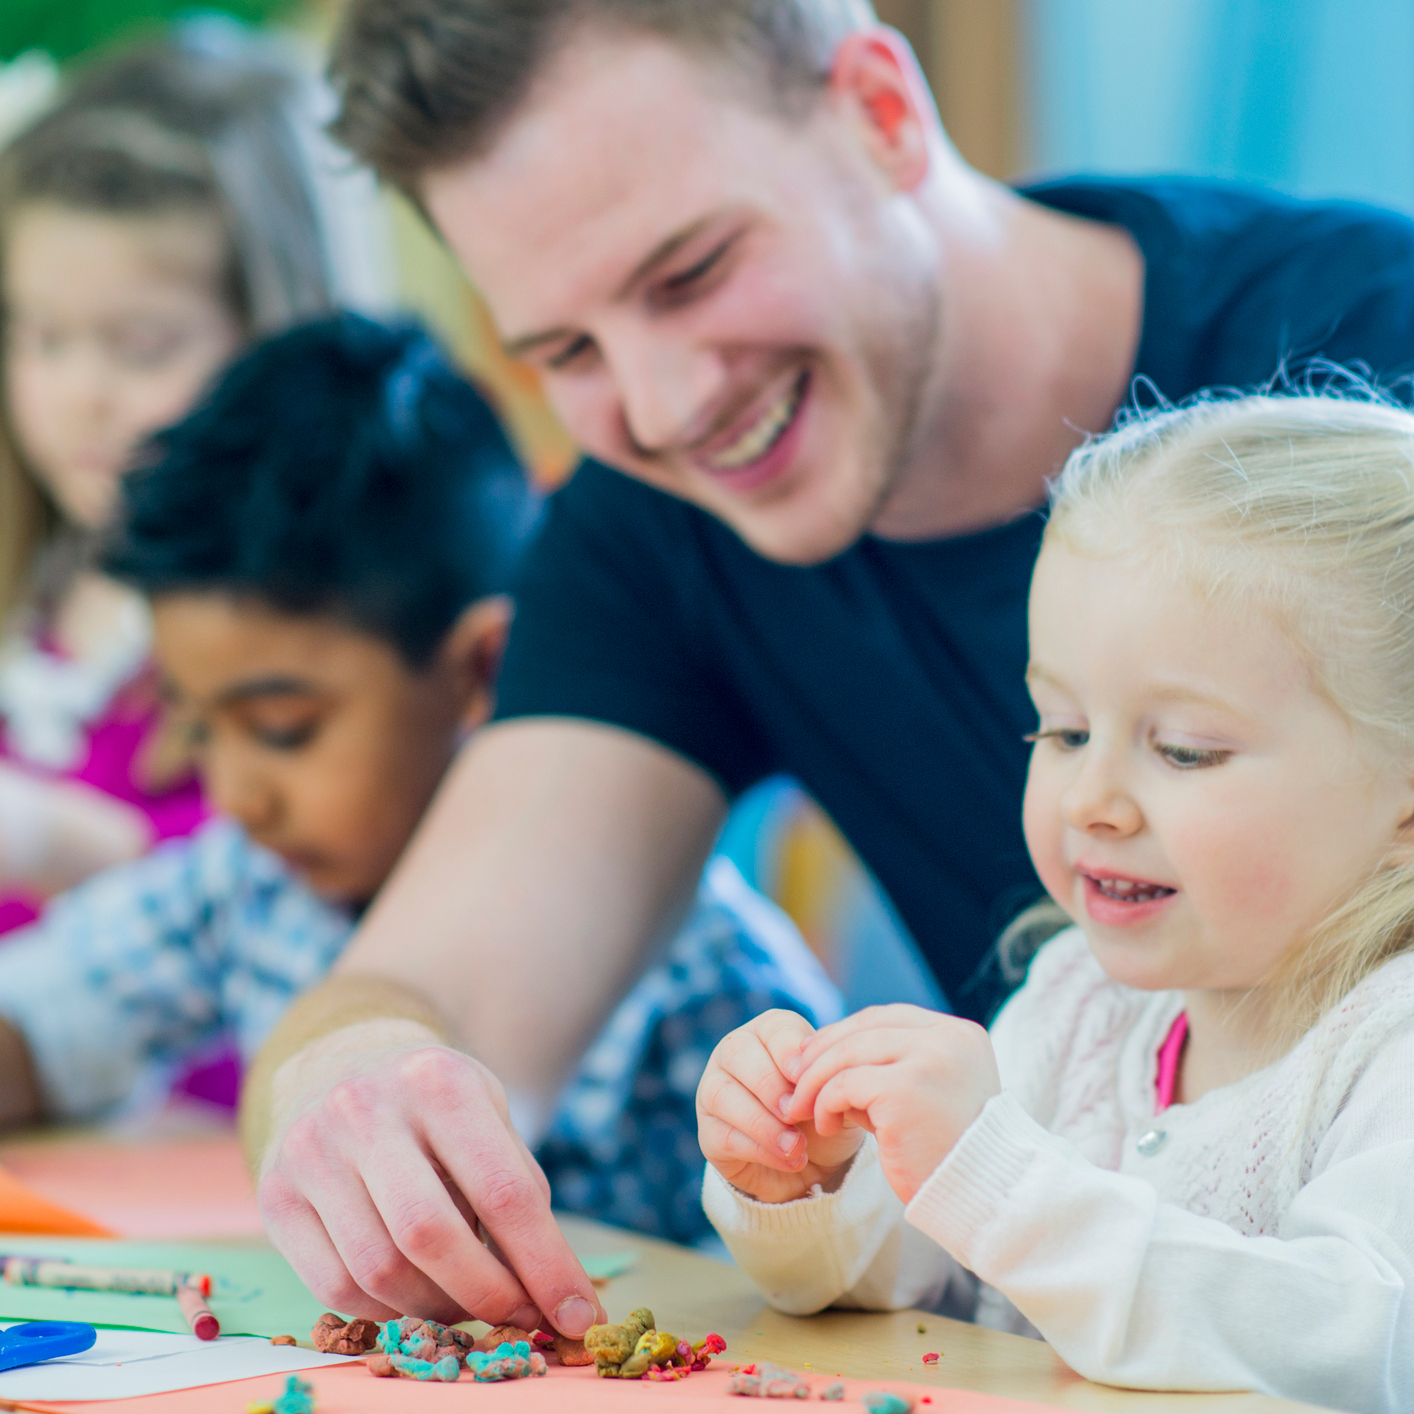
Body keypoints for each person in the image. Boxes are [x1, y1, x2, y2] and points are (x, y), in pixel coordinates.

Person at [246, 0, 1414, 1333]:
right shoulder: (655, 515)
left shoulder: (1373, 377)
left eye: (688, 271)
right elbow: (427, 987)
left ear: (879, 111)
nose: (663, 404)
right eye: (564, 352)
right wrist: (351, 1089)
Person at [0, 312, 839, 1244]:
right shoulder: (247, 884)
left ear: (483, 669)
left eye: (283, 729)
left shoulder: (712, 980)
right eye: (199, 729)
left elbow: (844, 1267)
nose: (237, 792)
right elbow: (42, 1020)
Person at [699, 391, 1414, 1414]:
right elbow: (924, 1275)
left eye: (1182, 749)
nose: (1091, 800)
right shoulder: (1078, 998)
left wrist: (994, 1173)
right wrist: (810, 1183)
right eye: (1063, 731)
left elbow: (1358, 1349)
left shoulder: (1390, 1043)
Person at [0, 31, 343, 931]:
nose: (81, 396)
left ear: (276, 339)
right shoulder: (35, 589)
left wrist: (51, 839)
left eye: (143, 346)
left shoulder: (328, 630)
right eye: (40, 337)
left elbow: (304, 915)